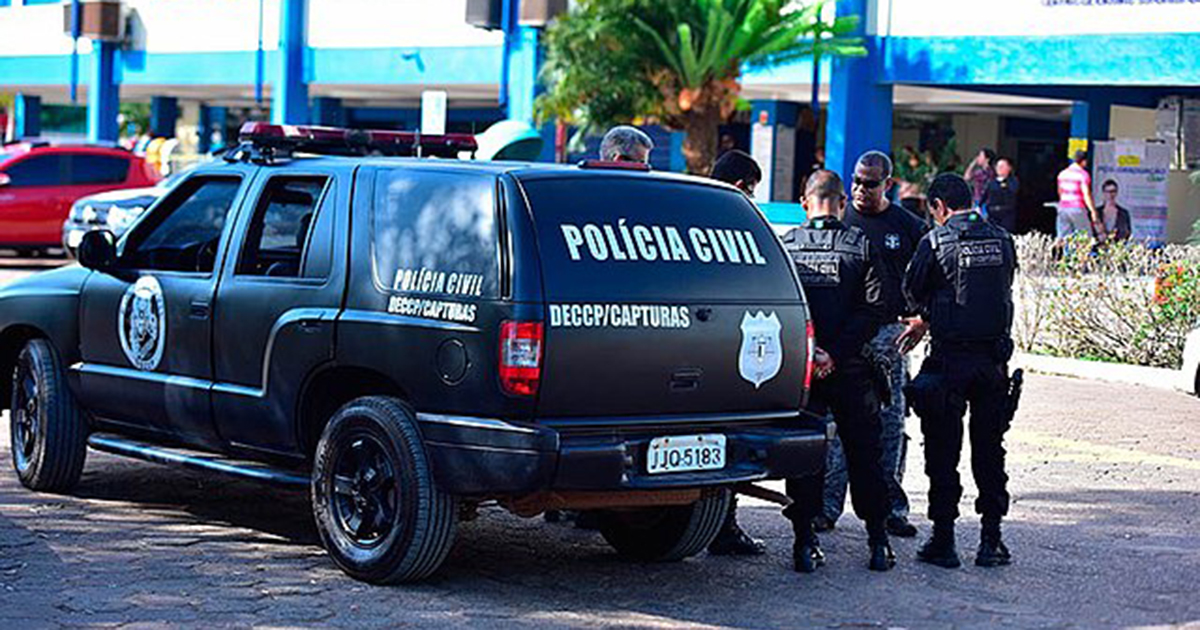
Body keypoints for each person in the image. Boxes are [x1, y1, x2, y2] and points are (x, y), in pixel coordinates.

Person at [780, 170, 895, 573]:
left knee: (807, 456)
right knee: (866, 454)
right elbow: (875, 309)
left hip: (804, 371)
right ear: (842, 203)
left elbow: (780, 309)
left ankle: (804, 544)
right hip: (850, 369)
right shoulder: (860, 245)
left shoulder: (787, 247)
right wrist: (837, 353)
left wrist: (814, 353)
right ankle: (879, 543)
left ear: (804, 203)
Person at [902, 173, 1019, 569]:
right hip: (992, 364)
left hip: (950, 361)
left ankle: (945, 541)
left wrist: (929, 313)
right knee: (990, 451)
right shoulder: (1003, 239)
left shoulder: (935, 242)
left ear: (938, 206)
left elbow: (912, 291)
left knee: (942, 452)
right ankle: (991, 540)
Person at [826, 151, 925, 539]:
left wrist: (924, 319)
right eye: (856, 181)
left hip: (889, 337)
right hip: (846, 337)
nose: (860, 190)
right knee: (837, 424)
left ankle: (890, 510)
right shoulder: (840, 222)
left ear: (889, 184)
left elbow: (932, 276)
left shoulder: (908, 226)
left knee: (889, 425)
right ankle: (826, 506)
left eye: (870, 183)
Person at [705, 149, 766, 556]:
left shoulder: (682, 206)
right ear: (742, 186)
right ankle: (723, 526)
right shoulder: (732, 220)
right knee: (723, 438)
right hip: (722, 347)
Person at [1056, 150, 1104, 241]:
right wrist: (1093, 211)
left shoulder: (1062, 174)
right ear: (1084, 161)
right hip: (1077, 208)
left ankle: (1067, 255)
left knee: (1065, 237)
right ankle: (1083, 254)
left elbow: (1060, 192)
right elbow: (1086, 194)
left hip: (1063, 208)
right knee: (1084, 236)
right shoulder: (1083, 175)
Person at [981, 157, 1020, 233]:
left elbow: (1013, 192)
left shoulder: (1013, 181)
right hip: (992, 215)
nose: (999, 169)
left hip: (1006, 215)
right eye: (998, 166)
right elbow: (984, 197)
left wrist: (1003, 184)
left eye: (1002, 166)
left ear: (1009, 168)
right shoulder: (991, 182)